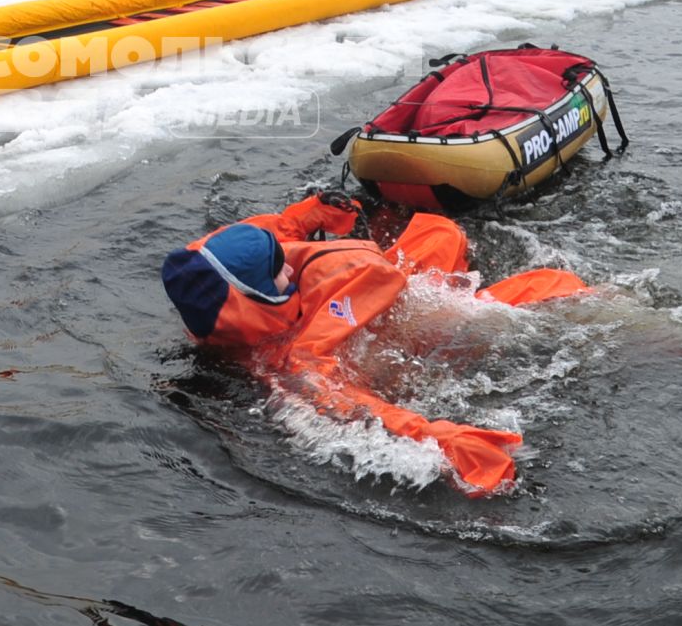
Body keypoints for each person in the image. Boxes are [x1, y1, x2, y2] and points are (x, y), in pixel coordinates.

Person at [160, 191, 587, 495]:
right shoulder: (297, 361)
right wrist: (444, 441)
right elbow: (358, 410)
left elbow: (267, 232)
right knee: (557, 287)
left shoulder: (208, 260)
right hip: (409, 332)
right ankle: (635, 320)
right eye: (277, 271)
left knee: (443, 233)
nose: (289, 265)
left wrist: (312, 213)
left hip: (387, 287)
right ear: (257, 302)